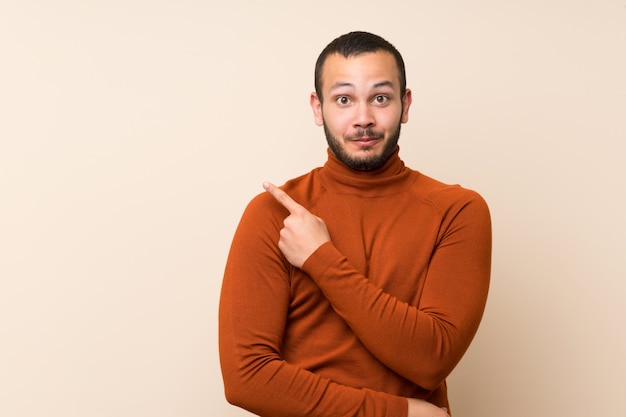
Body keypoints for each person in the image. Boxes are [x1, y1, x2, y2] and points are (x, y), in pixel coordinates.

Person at [219, 31, 492, 417]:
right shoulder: (275, 214)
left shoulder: (457, 210)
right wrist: (400, 413)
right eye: (343, 99)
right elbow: (246, 377)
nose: (363, 119)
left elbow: (431, 358)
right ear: (318, 108)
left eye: (380, 98)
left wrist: (321, 258)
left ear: (405, 103)